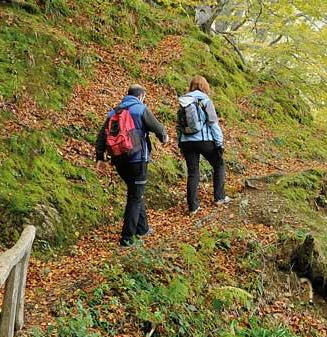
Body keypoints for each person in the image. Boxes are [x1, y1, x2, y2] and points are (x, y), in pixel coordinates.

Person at [95, 84, 168, 247]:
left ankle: (142, 229)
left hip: (120, 161)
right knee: (135, 197)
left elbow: (101, 136)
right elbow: (158, 127)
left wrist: (100, 158)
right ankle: (127, 238)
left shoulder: (114, 112)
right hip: (137, 159)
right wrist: (164, 137)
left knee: (136, 192)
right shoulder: (140, 109)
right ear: (141, 96)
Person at [177, 75, 229, 214]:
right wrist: (219, 143)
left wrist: (180, 143)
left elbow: (179, 125)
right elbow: (213, 123)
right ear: (204, 86)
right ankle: (219, 198)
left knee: (193, 172)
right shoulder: (205, 100)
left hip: (187, 142)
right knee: (219, 164)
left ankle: (193, 207)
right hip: (204, 140)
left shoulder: (184, 101)